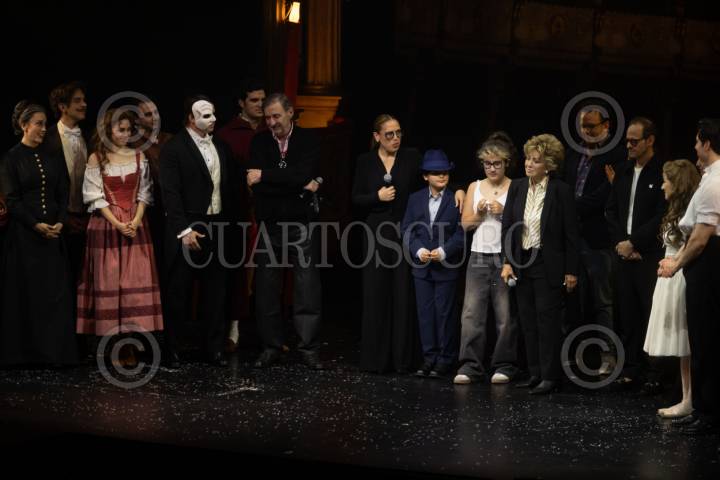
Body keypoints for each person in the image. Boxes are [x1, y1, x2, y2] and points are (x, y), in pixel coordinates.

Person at [352, 114, 465, 373]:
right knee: (376, 294)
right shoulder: (365, 161)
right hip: (377, 233)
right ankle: (375, 360)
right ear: (377, 136)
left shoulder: (411, 157)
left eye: (398, 133)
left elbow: (436, 174)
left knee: (403, 294)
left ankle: (403, 360)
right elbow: (356, 198)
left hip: (407, 232)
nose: (396, 138)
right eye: (389, 134)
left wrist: (459, 188)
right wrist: (376, 196)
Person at [76, 109, 163, 367]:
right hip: (106, 227)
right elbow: (94, 196)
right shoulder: (97, 158)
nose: (125, 134)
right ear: (108, 130)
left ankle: (131, 343)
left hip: (135, 225)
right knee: (110, 282)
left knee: (134, 283)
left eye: (128, 130)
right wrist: (117, 223)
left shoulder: (138, 156)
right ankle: (112, 345)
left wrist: (135, 221)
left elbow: (145, 193)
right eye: (120, 130)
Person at [159, 95, 240, 368]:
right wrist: (184, 230)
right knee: (179, 291)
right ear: (191, 119)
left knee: (216, 291)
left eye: (213, 113)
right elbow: (170, 193)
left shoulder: (221, 146)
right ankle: (173, 348)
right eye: (205, 115)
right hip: (188, 225)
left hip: (217, 225)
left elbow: (227, 188)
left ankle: (213, 348)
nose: (213, 119)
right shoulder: (174, 148)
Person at [247, 93, 324, 370]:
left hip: (300, 223)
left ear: (290, 113)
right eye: (267, 117)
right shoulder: (259, 142)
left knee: (306, 287)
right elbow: (256, 184)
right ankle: (271, 346)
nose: (271, 122)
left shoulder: (307, 140)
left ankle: (308, 348)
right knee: (267, 288)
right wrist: (294, 182)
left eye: (276, 116)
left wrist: (266, 176)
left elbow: (303, 173)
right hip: (270, 223)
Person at [500, 134, 579, 395]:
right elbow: (508, 227)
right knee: (528, 320)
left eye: (536, 160)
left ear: (549, 165)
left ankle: (550, 376)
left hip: (548, 263)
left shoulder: (560, 190)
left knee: (547, 322)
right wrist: (508, 261)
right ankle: (534, 373)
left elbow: (571, 233)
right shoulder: (518, 187)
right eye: (528, 158)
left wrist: (571, 270)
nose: (529, 164)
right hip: (522, 261)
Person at [0, 101, 77, 366]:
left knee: (54, 296)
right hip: (25, 238)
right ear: (24, 125)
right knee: (28, 296)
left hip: (53, 236)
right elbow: (12, 200)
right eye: (39, 124)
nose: (44, 129)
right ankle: (25, 355)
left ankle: (55, 354)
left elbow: (63, 191)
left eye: (45, 124)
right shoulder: (11, 159)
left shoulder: (52, 155)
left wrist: (61, 222)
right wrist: (35, 224)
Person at [659, 119, 720, 435]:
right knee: (701, 338)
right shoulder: (710, 177)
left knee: (705, 339)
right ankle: (701, 407)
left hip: (708, 263)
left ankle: (707, 412)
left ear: (707, 143)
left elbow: (701, 237)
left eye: (697, 142)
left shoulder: (714, 182)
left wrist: (676, 263)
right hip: (704, 261)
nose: (695, 147)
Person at [605, 117, 667, 392]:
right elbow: (611, 210)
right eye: (627, 141)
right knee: (626, 312)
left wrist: (635, 243)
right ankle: (631, 369)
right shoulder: (623, 170)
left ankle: (655, 372)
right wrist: (622, 242)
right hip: (623, 254)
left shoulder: (661, 171)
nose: (629, 145)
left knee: (650, 313)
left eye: (634, 141)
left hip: (648, 254)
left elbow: (662, 215)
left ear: (650, 140)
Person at [454, 132, 519, 385]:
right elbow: (465, 225)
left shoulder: (515, 186)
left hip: (504, 256)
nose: (492, 168)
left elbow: (521, 224)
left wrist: (503, 212)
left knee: (505, 315)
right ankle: (470, 365)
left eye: (497, 163)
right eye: (487, 163)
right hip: (479, 255)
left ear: (506, 163)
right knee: (472, 314)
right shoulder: (475, 186)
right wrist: (480, 213)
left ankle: (504, 365)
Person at [401, 149, 465, 379]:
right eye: (436, 173)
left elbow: (461, 232)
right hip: (422, 268)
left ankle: (446, 359)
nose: (442, 176)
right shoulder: (415, 198)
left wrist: (444, 251)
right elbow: (407, 229)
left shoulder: (456, 199)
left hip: (445, 267)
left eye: (445, 172)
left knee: (445, 314)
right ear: (425, 176)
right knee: (425, 314)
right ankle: (429, 357)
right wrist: (418, 249)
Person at [643, 159, 700, 418]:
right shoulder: (676, 210)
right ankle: (687, 397)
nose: (662, 185)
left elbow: (693, 246)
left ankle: (691, 399)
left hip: (681, 277)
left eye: (666, 181)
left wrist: (674, 262)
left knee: (687, 340)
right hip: (670, 275)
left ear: (677, 184)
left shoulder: (691, 213)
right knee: (683, 346)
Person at [216, 79, 266, 352]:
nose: (260, 105)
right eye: (254, 100)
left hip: (269, 210)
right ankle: (233, 328)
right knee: (240, 270)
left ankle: (269, 332)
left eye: (262, 100)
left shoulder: (271, 129)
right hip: (240, 212)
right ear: (241, 103)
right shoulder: (228, 134)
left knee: (269, 271)